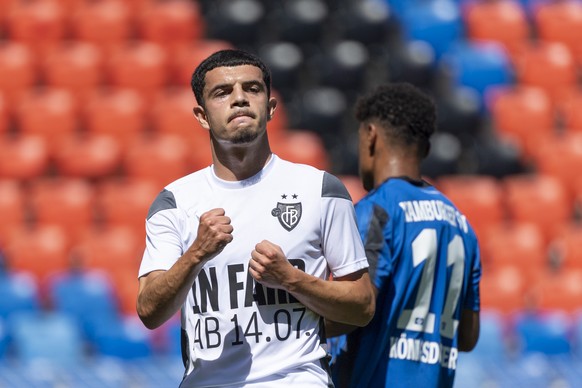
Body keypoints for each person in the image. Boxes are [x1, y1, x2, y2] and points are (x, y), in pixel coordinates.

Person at [136, 49, 375, 387]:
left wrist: (291, 279)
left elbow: (362, 306)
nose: (239, 99)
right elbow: (149, 311)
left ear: (271, 107)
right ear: (202, 116)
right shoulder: (175, 202)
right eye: (223, 92)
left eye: (252, 89)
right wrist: (196, 254)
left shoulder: (320, 189)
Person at [327, 83, 481, 388]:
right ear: (425, 148)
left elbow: (356, 307)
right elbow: (467, 336)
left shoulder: (378, 209)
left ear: (370, 135)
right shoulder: (462, 224)